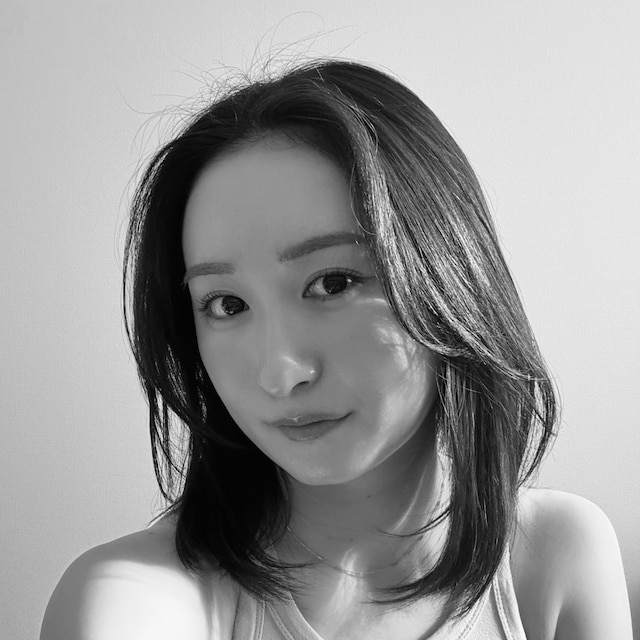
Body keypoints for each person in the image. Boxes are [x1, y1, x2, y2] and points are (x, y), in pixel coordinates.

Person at [40, 59, 633, 639]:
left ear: (448, 277)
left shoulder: (553, 555)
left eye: (332, 283)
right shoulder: (133, 601)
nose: (281, 373)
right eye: (227, 304)